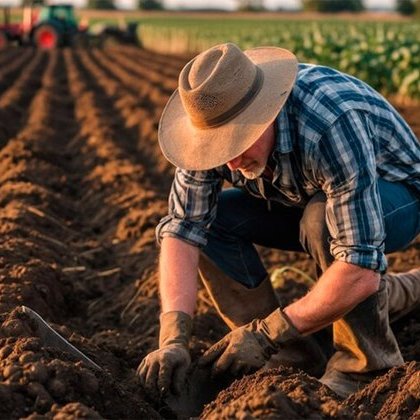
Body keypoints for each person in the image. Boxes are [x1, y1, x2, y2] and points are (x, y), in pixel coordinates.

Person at [137, 43, 420, 399]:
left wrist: (266, 332)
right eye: (217, 149)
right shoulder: (210, 131)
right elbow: (183, 228)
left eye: (235, 144)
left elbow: (360, 265)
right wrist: (173, 339)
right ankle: (292, 360)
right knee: (214, 222)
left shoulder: (330, 121)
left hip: (398, 198)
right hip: (302, 195)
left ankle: (363, 368)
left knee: (324, 222)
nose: (229, 164)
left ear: (267, 113)